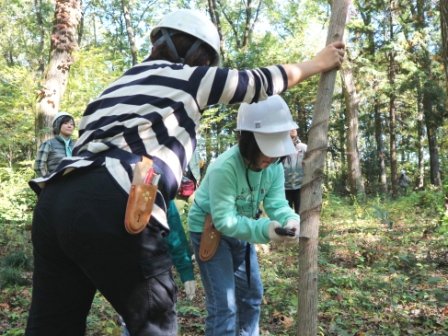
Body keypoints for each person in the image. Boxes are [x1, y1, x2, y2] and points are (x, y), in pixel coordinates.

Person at [26, 8, 344, 336]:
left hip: (55, 201)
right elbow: (256, 83)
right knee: (156, 323)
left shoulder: (112, 88)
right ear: (196, 54)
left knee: (52, 325)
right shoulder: (186, 77)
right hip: (119, 195)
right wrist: (317, 64)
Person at [187, 95, 303, 336]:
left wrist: (290, 220)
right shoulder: (225, 168)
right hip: (210, 229)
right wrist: (264, 230)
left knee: (252, 296)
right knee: (224, 306)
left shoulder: (274, 166)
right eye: (267, 149)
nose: (271, 158)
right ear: (248, 140)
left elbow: (276, 202)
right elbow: (224, 220)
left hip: (242, 228)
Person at [120, 200, 196, 336]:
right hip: (128, 274)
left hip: (155, 273)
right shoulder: (108, 187)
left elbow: (173, 233)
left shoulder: (158, 187)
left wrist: (186, 271)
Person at [33, 112, 75, 177]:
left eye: (72, 124)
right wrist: (48, 181)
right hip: (58, 184)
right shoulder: (48, 144)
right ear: (57, 125)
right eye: (65, 123)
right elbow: (38, 166)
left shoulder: (77, 145)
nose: (69, 126)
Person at [282, 129, 307, 215]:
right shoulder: (281, 148)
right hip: (284, 187)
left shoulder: (303, 147)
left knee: (300, 213)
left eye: (294, 128)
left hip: (300, 186)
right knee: (286, 214)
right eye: (290, 128)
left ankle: (300, 228)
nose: (293, 130)